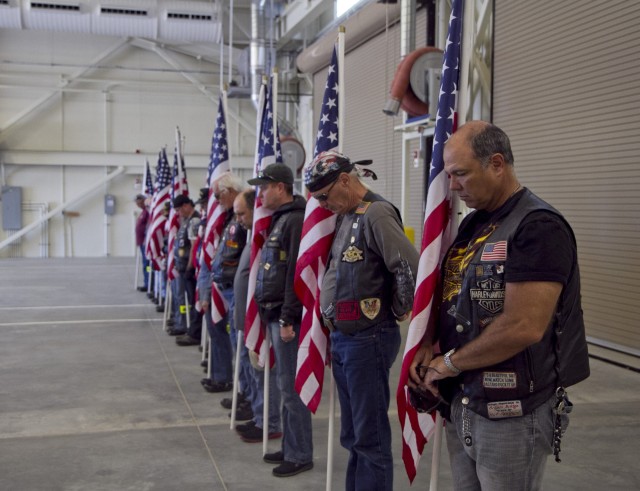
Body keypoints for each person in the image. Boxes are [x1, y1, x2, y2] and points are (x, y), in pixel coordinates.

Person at [408, 121, 590, 491]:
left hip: (512, 410)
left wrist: (449, 362)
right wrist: (431, 342)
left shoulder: (538, 226)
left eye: (461, 174)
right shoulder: (475, 222)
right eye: (449, 176)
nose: (453, 187)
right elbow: (455, 295)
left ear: (496, 163)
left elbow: (523, 325)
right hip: (465, 397)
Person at [304, 150, 419, 491]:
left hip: (367, 338)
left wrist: (398, 309)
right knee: (353, 434)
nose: (323, 205)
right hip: (345, 339)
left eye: (324, 197)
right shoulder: (346, 214)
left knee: (369, 437)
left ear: (344, 180)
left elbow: (409, 268)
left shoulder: (376, 213)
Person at [247, 163, 313, 477]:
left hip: (286, 319)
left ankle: (300, 454)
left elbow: (293, 277)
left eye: (264, 187)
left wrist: (288, 316)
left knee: (291, 388)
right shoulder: (282, 220)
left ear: (281, 188)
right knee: (283, 385)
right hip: (274, 315)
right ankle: (291, 446)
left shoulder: (294, 221)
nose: (260, 193)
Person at [230, 189, 282, 442]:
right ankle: (259, 415)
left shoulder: (265, 235)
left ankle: (269, 423)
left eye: (242, 213)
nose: (238, 219)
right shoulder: (251, 236)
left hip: (260, 319)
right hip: (245, 317)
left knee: (264, 373)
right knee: (253, 371)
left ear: (257, 209)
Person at [198, 173, 246, 392]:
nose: (216, 202)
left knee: (241, 344)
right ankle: (225, 377)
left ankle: (243, 394)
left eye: (218, 196)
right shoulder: (228, 217)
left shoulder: (242, 217)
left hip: (236, 287)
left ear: (230, 191)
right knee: (222, 332)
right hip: (223, 284)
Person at [170, 195, 202, 343]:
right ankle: (188, 327)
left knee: (193, 300)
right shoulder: (187, 221)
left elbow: (194, 245)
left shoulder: (194, 221)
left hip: (189, 268)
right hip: (182, 267)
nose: (178, 213)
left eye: (179, 209)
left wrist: (190, 267)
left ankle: (194, 332)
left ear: (185, 206)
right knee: (187, 299)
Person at [134, 194, 150, 291]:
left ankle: (148, 283)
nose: (138, 204)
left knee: (147, 265)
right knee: (145, 264)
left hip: (145, 243)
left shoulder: (147, 212)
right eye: (137, 203)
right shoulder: (143, 212)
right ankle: (146, 282)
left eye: (140, 202)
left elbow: (149, 227)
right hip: (141, 243)